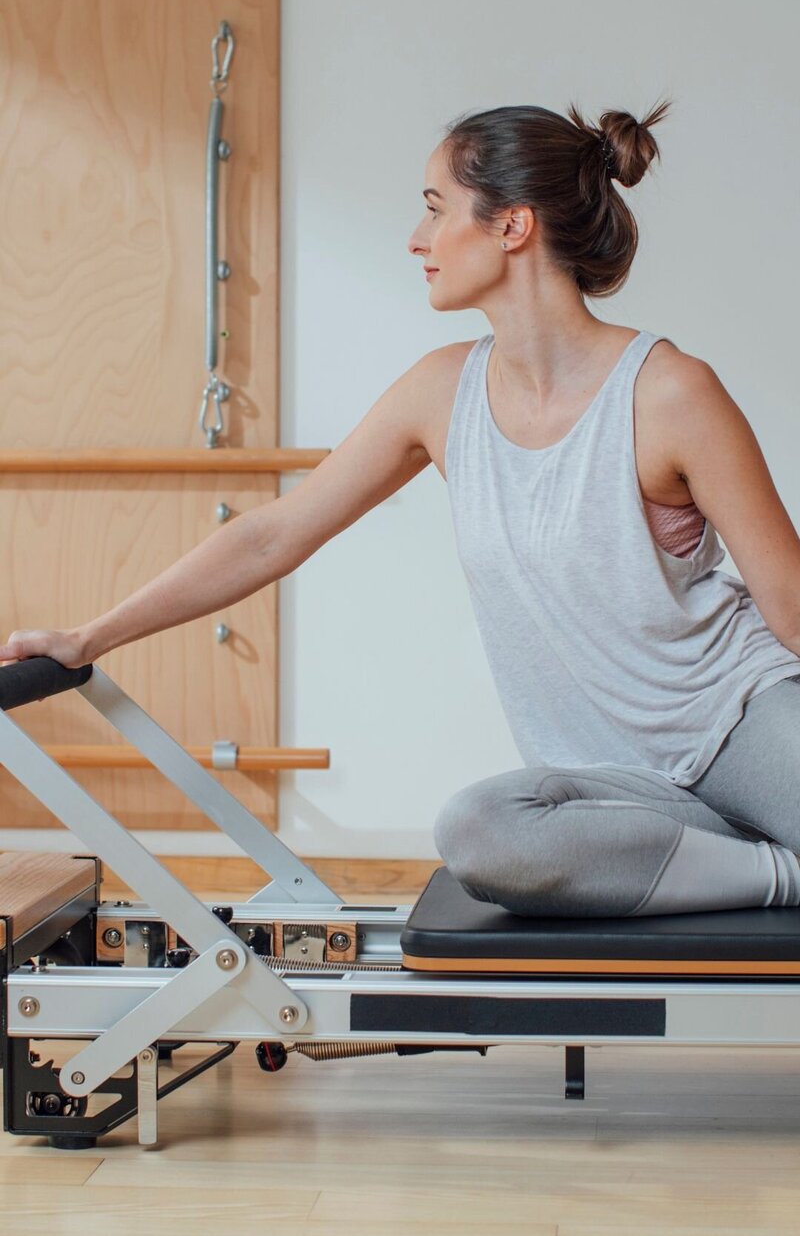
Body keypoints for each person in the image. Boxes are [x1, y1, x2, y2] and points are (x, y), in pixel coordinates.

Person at [3, 100, 800, 920]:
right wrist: (87, 638)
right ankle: (782, 872)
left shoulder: (669, 392)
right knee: (482, 832)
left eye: (433, 209)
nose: (416, 240)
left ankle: (753, 841)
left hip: (740, 723)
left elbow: (793, 612)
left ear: (512, 226)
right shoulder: (441, 392)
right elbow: (272, 536)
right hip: (608, 787)